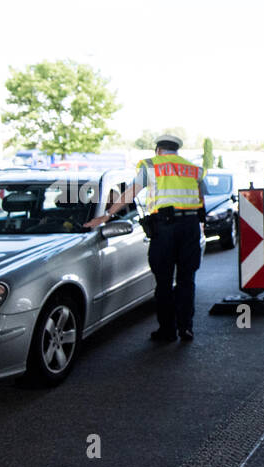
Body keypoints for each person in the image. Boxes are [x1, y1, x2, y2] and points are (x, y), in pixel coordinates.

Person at [86, 133, 205, 342]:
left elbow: (130, 193)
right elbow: (200, 199)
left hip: (165, 228)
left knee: (164, 281)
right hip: (190, 226)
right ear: (177, 151)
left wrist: (107, 214)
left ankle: (167, 331)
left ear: (158, 150)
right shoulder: (192, 168)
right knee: (187, 280)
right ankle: (186, 328)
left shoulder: (151, 165)